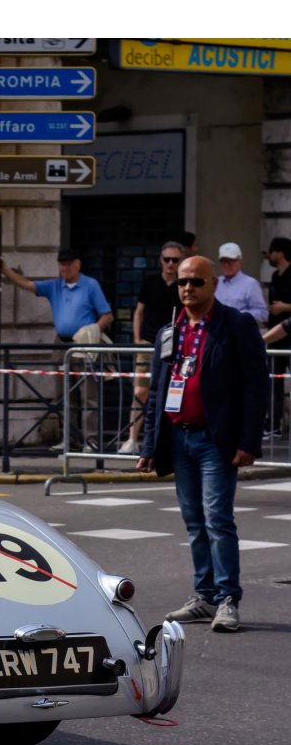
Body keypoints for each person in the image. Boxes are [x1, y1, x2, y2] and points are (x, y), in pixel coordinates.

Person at [137, 255, 269, 633]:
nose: (188, 289)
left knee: (217, 519)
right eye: (182, 283)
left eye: (196, 282)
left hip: (216, 439)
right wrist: (149, 446)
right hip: (179, 437)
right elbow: (160, 391)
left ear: (213, 284)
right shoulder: (170, 330)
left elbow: (256, 387)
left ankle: (228, 599)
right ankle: (204, 596)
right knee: (194, 522)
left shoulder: (236, 326)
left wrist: (248, 441)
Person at [1, 247, 113, 450]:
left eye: (69, 264)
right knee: (62, 394)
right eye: (62, 264)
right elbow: (27, 285)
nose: (65, 268)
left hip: (83, 344)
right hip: (60, 343)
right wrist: (6, 271)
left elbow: (107, 314)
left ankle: (91, 439)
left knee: (88, 394)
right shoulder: (55, 286)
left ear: (78, 264)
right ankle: (69, 438)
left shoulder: (90, 285)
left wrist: (93, 329)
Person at [122, 241, 185, 454]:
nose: (170, 264)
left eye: (175, 260)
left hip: (174, 343)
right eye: (166, 259)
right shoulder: (150, 282)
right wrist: (138, 338)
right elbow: (139, 311)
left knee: (171, 392)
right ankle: (132, 439)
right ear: (160, 260)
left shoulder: (184, 285)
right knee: (140, 390)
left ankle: (164, 439)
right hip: (148, 343)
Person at [264, 237, 291, 438]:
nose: (269, 256)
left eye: (271, 252)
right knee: (274, 382)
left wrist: (285, 307)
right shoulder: (275, 276)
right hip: (276, 336)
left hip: (288, 335)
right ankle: (274, 424)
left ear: (280, 253)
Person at [215, 242, 268, 324]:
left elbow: (263, 314)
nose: (226, 265)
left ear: (239, 261)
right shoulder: (216, 283)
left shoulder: (250, 284)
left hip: (240, 332)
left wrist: (239, 315)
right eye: (223, 262)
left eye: (230, 261)